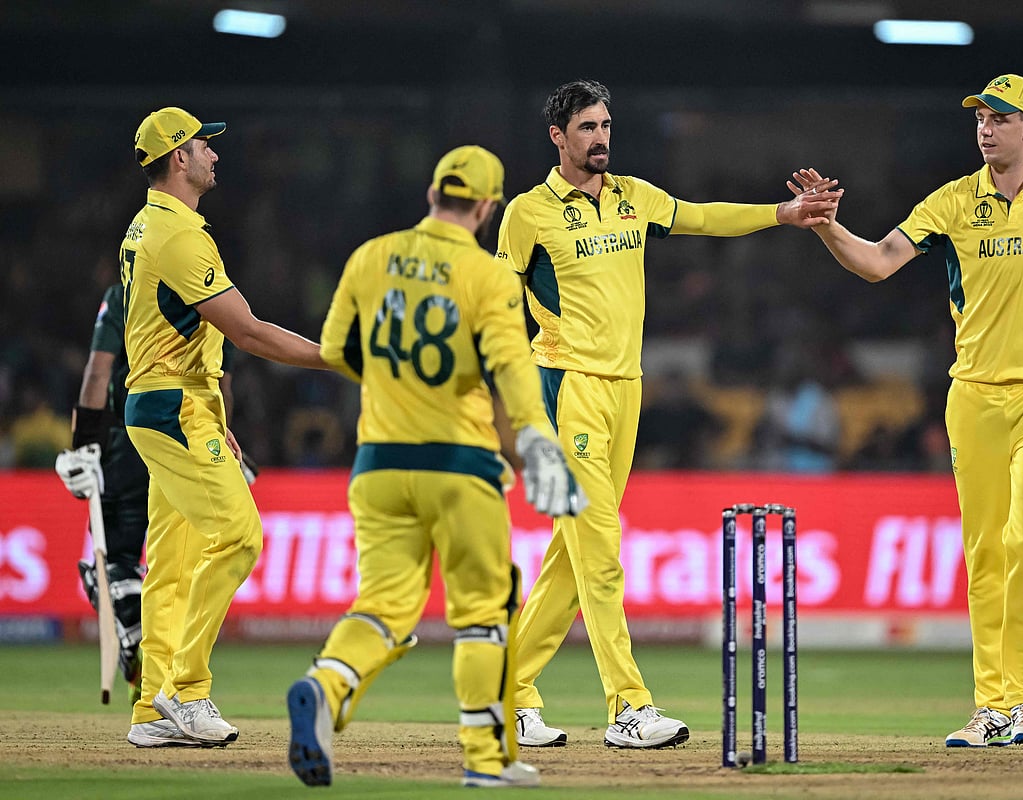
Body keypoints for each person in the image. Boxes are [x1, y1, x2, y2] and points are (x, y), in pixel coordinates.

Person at [791, 74, 1023, 748]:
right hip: (975, 396)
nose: (986, 128)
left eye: (1001, 118)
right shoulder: (956, 201)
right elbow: (878, 263)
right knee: (986, 549)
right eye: (980, 117)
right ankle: (990, 707)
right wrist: (827, 227)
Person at [494, 78, 841, 749]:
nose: (600, 137)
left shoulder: (632, 197)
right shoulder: (528, 213)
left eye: (605, 125)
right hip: (568, 390)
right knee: (599, 555)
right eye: (586, 128)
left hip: (627, 390)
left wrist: (784, 214)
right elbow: (496, 309)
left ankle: (504, 694)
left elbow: (704, 216)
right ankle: (628, 706)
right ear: (557, 137)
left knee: (573, 562)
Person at [285, 145, 585, 789]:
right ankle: (486, 760)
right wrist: (536, 440)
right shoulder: (488, 276)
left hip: (378, 465)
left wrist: (396, 386)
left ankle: (327, 685)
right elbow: (511, 368)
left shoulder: (370, 257)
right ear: (485, 206)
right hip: (460, 464)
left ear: (431, 195)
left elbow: (337, 349)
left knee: (385, 606)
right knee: (483, 612)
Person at [117, 107, 327, 749]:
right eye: (206, 145)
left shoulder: (149, 225)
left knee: (174, 568)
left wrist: (218, 414)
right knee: (239, 538)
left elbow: (192, 332)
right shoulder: (178, 236)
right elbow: (248, 330)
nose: (215, 154)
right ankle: (185, 690)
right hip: (172, 408)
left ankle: (151, 714)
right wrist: (336, 356)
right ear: (179, 156)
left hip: (177, 405)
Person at [55, 286, 253, 707]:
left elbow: (97, 371)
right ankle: (163, 677)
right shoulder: (218, 294)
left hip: (127, 439)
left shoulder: (124, 294)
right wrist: (221, 445)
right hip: (185, 433)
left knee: (116, 566)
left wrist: (84, 446)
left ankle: (134, 640)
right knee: (178, 562)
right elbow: (222, 387)